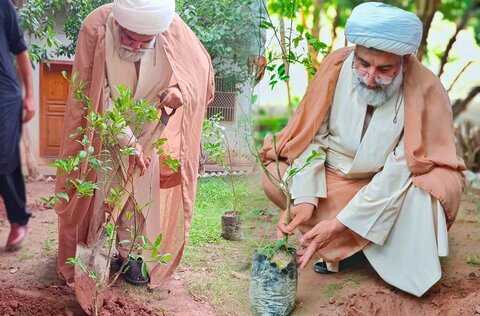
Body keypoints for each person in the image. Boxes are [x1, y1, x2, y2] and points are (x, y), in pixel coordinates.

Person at [261, 2, 465, 297]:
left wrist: (340, 222)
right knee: (273, 174)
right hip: (334, 176)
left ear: (404, 62)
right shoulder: (335, 67)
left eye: (384, 69)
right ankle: (349, 246)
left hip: (391, 183)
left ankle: (357, 246)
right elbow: (310, 137)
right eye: (363, 64)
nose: (370, 78)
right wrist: (306, 199)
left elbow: (402, 167)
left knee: (435, 189)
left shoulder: (424, 87)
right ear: (354, 53)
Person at [55, 0, 214, 287]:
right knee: (101, 193)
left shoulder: (174, 31)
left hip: (149, 128)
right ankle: (92, 253)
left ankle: (130, 256)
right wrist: (128, 142)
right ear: (120, 23)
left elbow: (200, 71)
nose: (136, 46)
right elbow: (96, 95)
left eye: (145, 42)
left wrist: (180, 89)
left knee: (140, 197)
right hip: (104, 128)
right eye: (129, 38)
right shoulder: (97, 27)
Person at [0, 0, 35, 250]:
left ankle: (18, 219)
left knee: (3, 158)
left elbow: (20, 50)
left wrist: (30, 96)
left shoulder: (3, 6)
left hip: (4, 95)